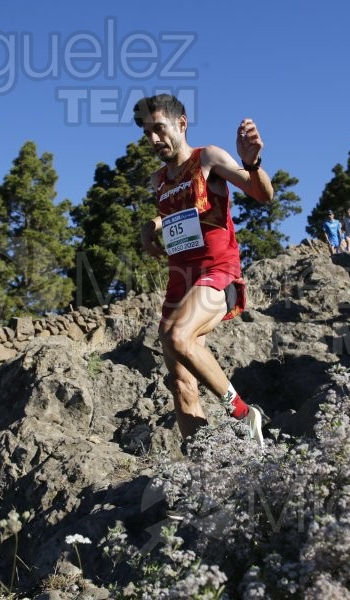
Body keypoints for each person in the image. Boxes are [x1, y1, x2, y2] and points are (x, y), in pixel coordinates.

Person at [134, 94, 273, 445]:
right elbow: (179, 215)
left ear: (181, 124)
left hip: (218, 271)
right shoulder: (158, 181)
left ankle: (243, 413)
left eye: (159, 129)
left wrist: (252, 164)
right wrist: (153, 225)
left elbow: (262, 195)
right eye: (146, 133)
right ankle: (203, 468)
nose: (153, 139)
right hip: (180, 281)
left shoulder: (207, 158)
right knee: (181, 384)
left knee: (176, 335)